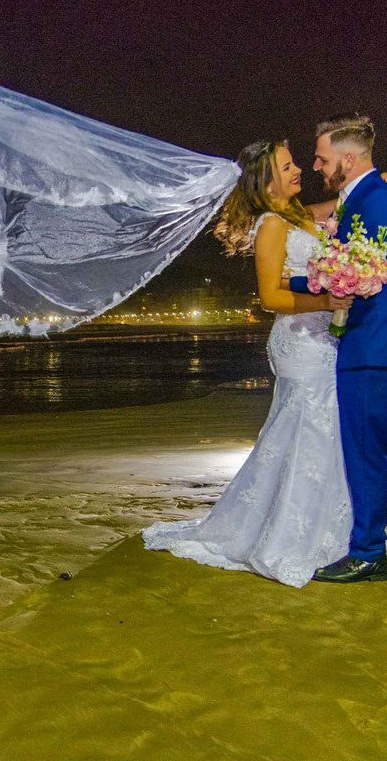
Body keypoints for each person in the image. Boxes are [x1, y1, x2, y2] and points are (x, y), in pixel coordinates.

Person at [142, 140, 356, 587]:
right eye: (288, 165)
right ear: (268, 182)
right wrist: (328, 298)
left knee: (313, 434)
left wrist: (379, 183)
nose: (299, 169)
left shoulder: (297, 216)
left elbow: (337, 202)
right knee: (310, 430)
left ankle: (318, 528)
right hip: (300, 343)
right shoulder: (273, 225)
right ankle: (288, 537)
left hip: (319, 338)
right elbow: (271, 297)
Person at [292, 114, 387, 583]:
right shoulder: (360, 198)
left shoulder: (378, 199)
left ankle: (370, 552)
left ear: (348, 160)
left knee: (368, 452)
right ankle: (367, 547)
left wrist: (300, 281)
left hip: (378, 346)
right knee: (363, 449)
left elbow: (371, 270)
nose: (315, 166)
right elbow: (349, 262)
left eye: (322, 158)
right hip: (369, 345)